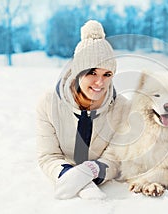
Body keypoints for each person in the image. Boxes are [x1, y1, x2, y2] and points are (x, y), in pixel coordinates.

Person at [36, 20, 127, 200]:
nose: (100, 83)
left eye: (106, 74)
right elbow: (49, 155)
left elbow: (116, 158)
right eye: (92, 73)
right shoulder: (48, 103)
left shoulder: (122, 108)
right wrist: (69, 176)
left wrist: (89, 171)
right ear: (77, 72)